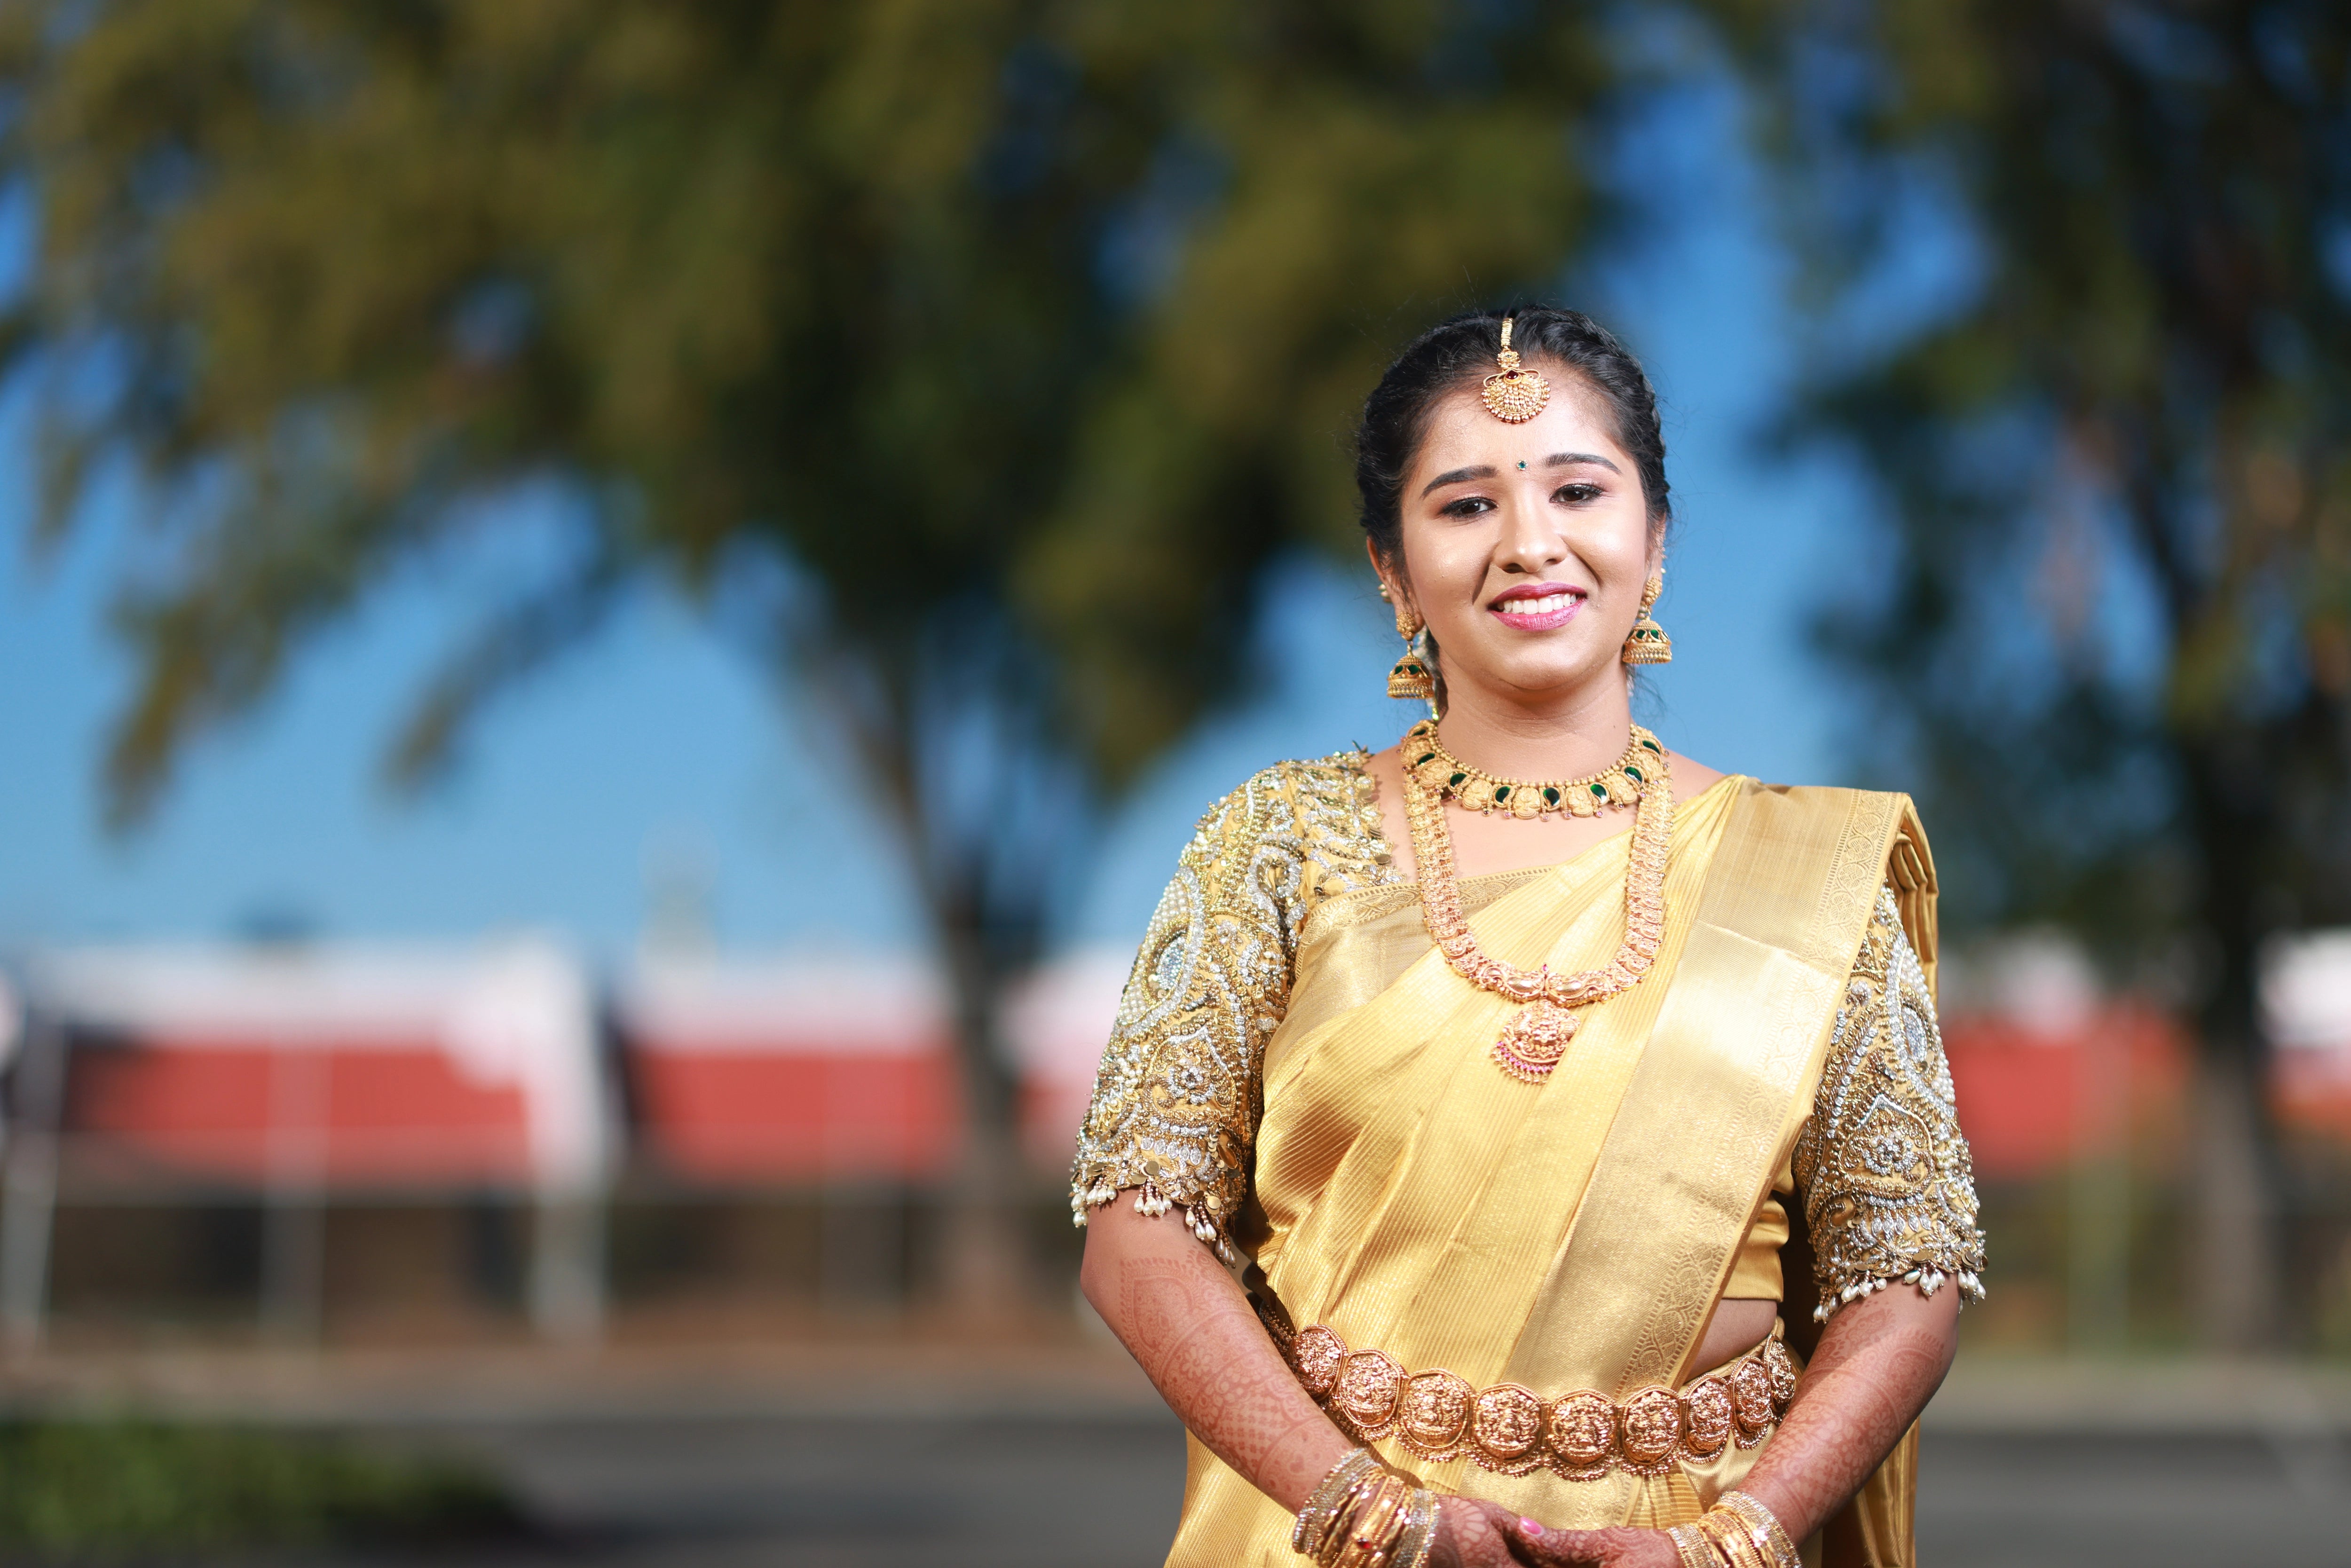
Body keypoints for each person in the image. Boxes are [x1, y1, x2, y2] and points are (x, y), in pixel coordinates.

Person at [1070, 306, 1985, 1568]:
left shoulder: (1808, 882)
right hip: (1334, 1541)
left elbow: (1906, 1278)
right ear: (1393, 570)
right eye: (1464, 506)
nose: (1529, 543)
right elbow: (1139, 1236)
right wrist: (1376, 1517)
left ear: (1654, 543)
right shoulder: (1278, 846)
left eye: (1576, 489)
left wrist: (1734, 1543)